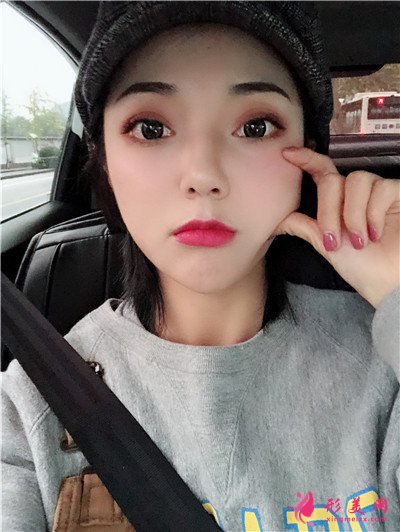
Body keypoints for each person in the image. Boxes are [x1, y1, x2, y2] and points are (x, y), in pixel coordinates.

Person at [2, 2, 399, 531]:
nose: (204, 175)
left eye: (255, 126)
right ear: (105, 164)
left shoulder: (385, 365)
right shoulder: (32, 406)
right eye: (150, 128)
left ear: (307, 156)